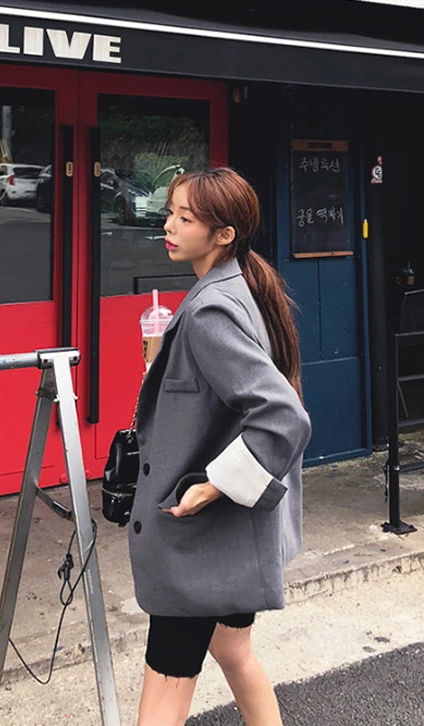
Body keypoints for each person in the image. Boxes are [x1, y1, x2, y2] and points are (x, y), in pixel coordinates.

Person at [130, 167, 312, 726]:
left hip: (201, 543)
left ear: (223, 234)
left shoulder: (211, 309)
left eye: (185, 218)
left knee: (166, 682)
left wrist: (213, 486)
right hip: (237, 538)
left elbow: (282, 417)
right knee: (234, 651)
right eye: (170, 212)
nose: (169, 225)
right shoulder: (243, 285)